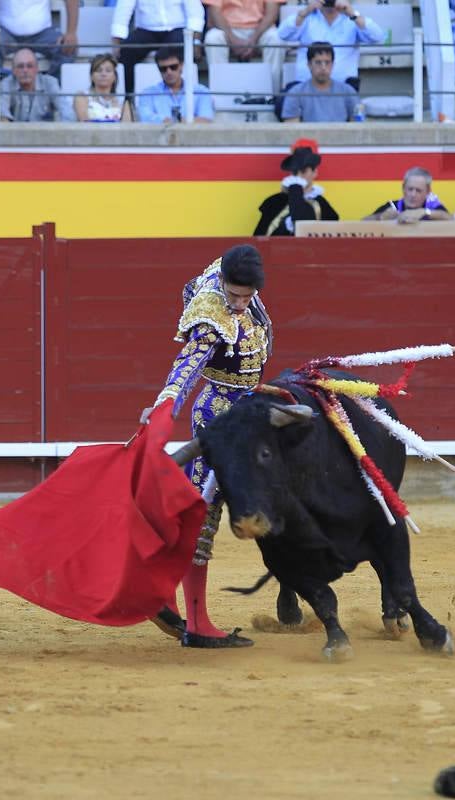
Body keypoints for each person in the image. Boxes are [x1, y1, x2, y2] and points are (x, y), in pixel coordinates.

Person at [141, 244, 272, 648]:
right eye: (232, 295)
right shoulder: (210, 314)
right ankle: (196, 624)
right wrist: (165, 403)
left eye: (245, 297)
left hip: (249, 407)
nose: (238, 304)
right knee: (201, 513)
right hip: (218, 419)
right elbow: (187, 367)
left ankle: (162, 594)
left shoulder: (240, 279)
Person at [278, 0, 384, 93]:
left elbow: (377, 37)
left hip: (343, 87)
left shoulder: (352, 18)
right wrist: (305, 12)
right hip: (306, 86)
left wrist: (352, 13)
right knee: (284, 104)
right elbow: (282, 34)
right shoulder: (307, 16)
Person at [110, 0, 205, 97]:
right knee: (127, 50)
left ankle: (181, 96)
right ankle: (128, 99)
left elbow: (195, 13)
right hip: (146, 29)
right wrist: (116, 43)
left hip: (177, 28)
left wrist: (196, 42)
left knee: (177, 49)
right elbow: (123, 12)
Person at [254, 139, 339, 235]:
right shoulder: (275, 202)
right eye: (294, 171)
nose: (298, 176)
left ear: (315, 172)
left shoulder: (322, 205)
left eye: (303, 171)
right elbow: (259, 238)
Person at [203, 0, 286, 94]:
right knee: (213, 38)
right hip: (226, 28)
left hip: (260, 29)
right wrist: (233, 39)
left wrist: (253, 39)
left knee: (276, 38)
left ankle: (271, 95)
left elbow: (272, 13)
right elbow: (214, 12)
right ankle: (220, 94)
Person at [0, 0, 79, 80]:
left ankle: (49, 91)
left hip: (43, 33)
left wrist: (71, 32)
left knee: (67, 48)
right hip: (6, 32)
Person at [281, 42, 358, 122]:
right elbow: (292, 129)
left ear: (332, 65)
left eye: (327, 63)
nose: (323, 67)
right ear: (309, 65)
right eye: (318, 62)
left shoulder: (349, 92)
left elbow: (358, 127)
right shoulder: (295, 93)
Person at [137, 47, 214, 123]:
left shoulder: (202, 91)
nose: (169, 72)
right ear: (158, 69)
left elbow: (206, 120)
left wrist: (171, 121)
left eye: (173, 67)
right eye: (163, 69)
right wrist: (186, 121)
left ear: (181, 65)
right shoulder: (147, 94)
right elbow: (145, 119)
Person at [0, 47, 75, 122]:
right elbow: (3, 115)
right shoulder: (6, 84)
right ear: (13, 70)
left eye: (29, 66)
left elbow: (67, 112)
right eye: (20, 66)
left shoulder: (50, 83)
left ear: (37, 69)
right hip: (14, 132)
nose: (25, 70)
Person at [364, 167, 453, 223]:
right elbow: (362, 223)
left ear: (428, 192)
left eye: (418, 191)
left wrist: (426, 212)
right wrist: (380, 217)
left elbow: (453, 220)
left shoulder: (433, 206)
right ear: (403, 188)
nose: (413, 194)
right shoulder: (393, 206)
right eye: (410, 189)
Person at [74, 53, 132, 122]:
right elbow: (84, 123)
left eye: (108, 70)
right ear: (91, 76)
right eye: (99, 70)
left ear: (115, 77)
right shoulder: (82, 96)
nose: (103, 74)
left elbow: (127, 128)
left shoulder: (123, 101)